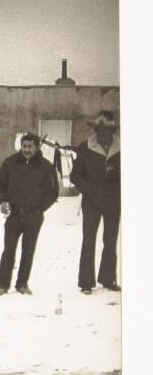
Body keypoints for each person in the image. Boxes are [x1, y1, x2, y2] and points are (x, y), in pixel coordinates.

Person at [0, 133, 59, 296]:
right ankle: (2, 284)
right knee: (8, 250)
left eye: (30, 146)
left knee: (28, 251)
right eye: (24, 146)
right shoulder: (10, 163)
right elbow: (1, 184)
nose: (26, 150)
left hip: (33, 216)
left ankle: (22, 284)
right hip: (13, 214)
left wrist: (39, 209)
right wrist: (3, 201)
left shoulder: (46, 167)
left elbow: (53, 192)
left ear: (37, 147)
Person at [70, 111, 121, 294]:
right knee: (89, 239)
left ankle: (108, 279)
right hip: (92, 202)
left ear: (112, 130)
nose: (102, 134)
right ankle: (86, 282)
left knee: (111, 240)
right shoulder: (86, 147)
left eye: (106, 130)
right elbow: (75, 175)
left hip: (114, 201)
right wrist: (89, 189)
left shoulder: (122, 147)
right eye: (99, 130)